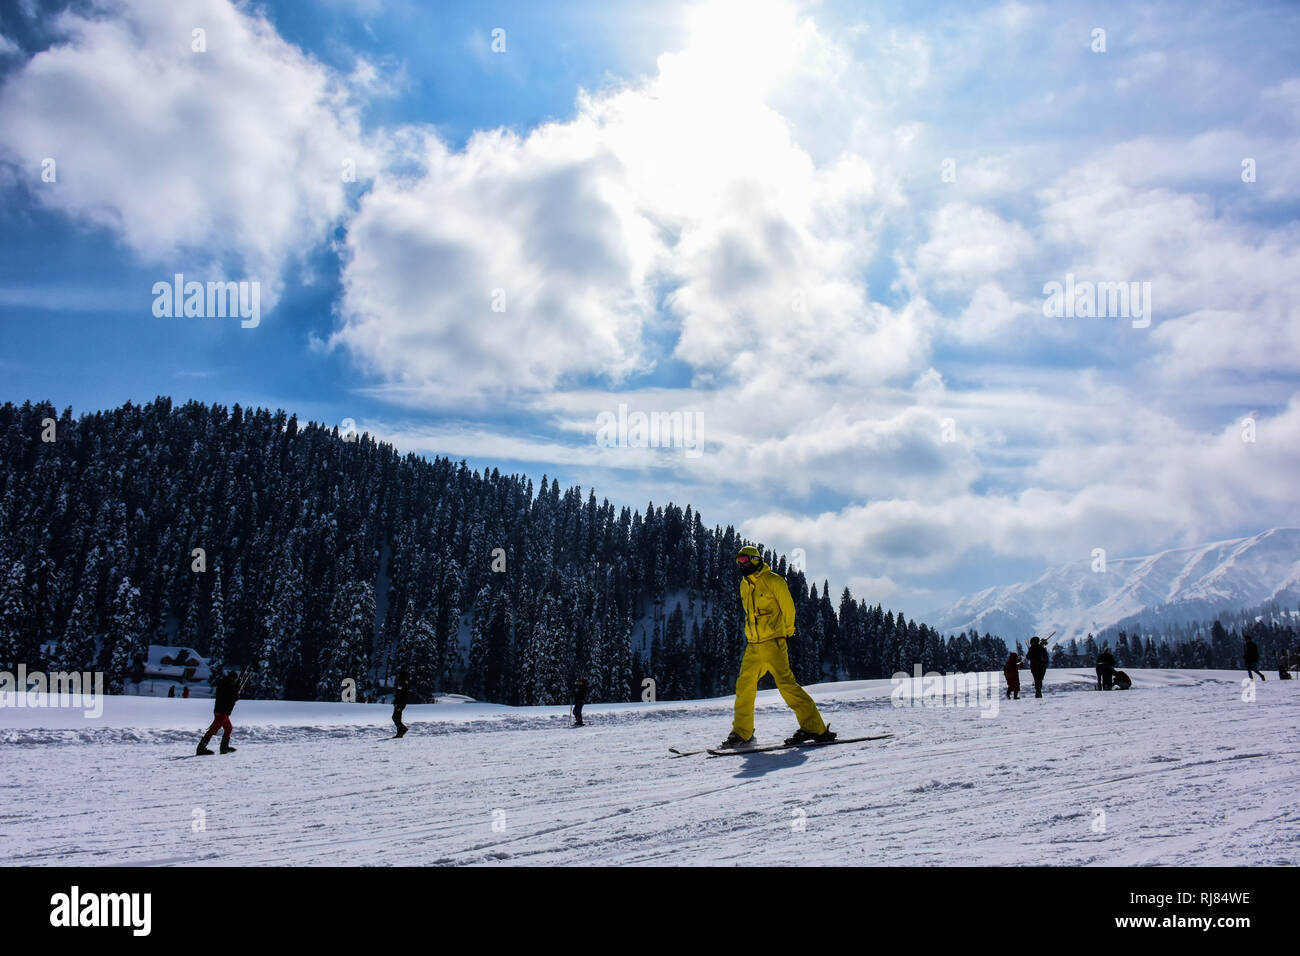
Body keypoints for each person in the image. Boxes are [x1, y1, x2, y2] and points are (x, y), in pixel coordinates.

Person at [719, 546, 834, 749]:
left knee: (787, 685)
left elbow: (788, 606)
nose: (741, 563)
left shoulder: (774, 580)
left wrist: (789, 632)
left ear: (755, 559)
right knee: (744, 687)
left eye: (745, 559)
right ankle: (742, 732)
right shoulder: (744, 585)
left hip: (773, 642)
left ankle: (815, 728)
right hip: (754, 645)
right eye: (739, 560)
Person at [196, 670, 241, 755]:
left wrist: (234, 695)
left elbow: (230, 695)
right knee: (213, 729)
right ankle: (201, 749)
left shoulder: (227, 684)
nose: (234, 681)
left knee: (228, 728)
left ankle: (224, 748)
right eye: (234, 679)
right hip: (221, 711)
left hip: (224, 711)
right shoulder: (225, 685)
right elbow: (228, 697)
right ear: (231, 678)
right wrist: (235, 696)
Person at [392, 669, 411, 737]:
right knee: (397, 717)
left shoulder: (403, 684)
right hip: (400, 703)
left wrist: (398, 703)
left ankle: (402, 729)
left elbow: (401, 695)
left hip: (400, 704)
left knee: (395, 717)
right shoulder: (403, 683)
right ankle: (400, 732)